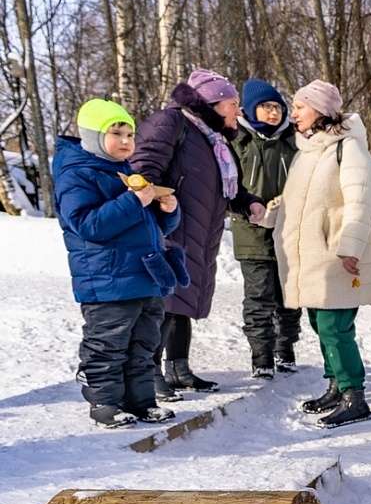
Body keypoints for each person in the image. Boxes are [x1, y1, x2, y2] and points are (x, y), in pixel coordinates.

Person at [131, 68, 264, 402]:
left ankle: (178, 368)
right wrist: (157, 207)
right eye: (234, 103)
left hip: (198, 233)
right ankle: (149, 372)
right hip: (169, 230)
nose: (239, 111)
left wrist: (250, 204)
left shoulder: (212, 138)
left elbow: (223, 188)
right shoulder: (172, 122)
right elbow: (142, 169)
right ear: (214, 103)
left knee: (182, 302)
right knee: (164, 302)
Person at [54, 99, 187, 427]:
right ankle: (104, 401)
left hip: (143, 274)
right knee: (108, 343)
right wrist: (131, 201)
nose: (127, 140)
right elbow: (88, 224)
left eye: (130, 134)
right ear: (93, 136)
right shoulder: (77, 175)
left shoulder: (127, 173)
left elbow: (146, 227)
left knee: (144, 342)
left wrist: (166, 213)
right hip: (107, 280)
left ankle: (141, 401)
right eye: (116, 133)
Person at [255, 80, 371, 428]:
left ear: (322, 111)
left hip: (338, 256)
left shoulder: (350, 148)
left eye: (299, 107)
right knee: (319, 323)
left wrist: (350, 246)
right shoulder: (307, 151)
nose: (292, 113)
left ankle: (355, 395)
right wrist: (267, 214)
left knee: (334, 327)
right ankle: (336, 385)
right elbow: (296, 200)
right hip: (311, 258)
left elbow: (361, 201)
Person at [229, 78, 301, 377]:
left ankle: (285, 349)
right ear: (249, 110)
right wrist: (248, 208)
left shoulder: (294, 141)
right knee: (259, 297)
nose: (273, 113)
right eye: (265, 107)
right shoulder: (237, 141)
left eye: (277, 107)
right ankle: (261, 356)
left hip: (289, 230)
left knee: (290, 296)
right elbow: (229, 186)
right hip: (251, 231)